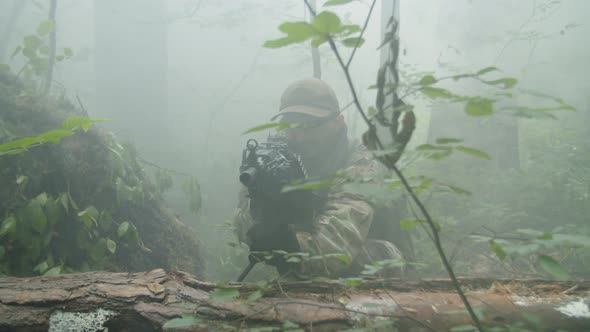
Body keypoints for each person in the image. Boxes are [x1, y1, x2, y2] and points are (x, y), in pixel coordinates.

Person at [234, 78, 413, 278]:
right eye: (289, 124)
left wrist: (289, 245)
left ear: (338, 122)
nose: (297, 135)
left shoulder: (363, 162)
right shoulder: (276, 156)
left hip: (373, 263)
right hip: (307, 258)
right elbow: (242, 220)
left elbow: (339, 239)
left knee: (385, 256)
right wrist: (260, 218)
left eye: (309, 125)